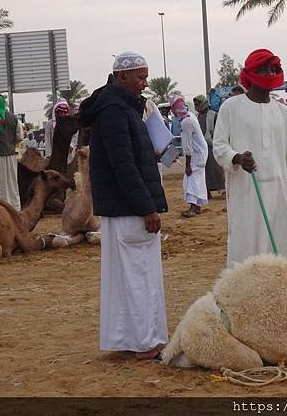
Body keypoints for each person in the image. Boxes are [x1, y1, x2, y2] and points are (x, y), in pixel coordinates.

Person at [80, 51, 168, 359]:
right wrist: (147, 208)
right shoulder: (116, 111)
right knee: (138, 276)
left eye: (145, 77)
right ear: (121, 77)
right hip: (130, 208)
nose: (145, 83)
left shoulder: (121, 108)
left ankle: (132, 339)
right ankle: (146, 342)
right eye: (140, 78)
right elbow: (124, 166)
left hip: (125, 206)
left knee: (131, 275)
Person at [213, 48, 287, 269]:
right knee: (246, 250)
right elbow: (218, 147)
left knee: (281, 251)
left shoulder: (283, 112)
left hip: (279, 195)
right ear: (249, 73)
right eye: (262, 69)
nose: (268, 73)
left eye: (272, 69)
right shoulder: (231, 107)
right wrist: (236, 157)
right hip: (247, 194)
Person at [171, 95, 208, 217]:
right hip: (201, 152)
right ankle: (197, 206)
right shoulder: (190, 115)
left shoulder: (186, 121)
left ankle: (193, 207)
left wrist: (187, 165)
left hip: (196, 154)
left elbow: (187, 147)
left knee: (190, 178)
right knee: (198, 178)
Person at [194, 94, 225, 198]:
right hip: (201, 148)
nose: (196, 106)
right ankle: (207, 191)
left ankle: (222, 190)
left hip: (212, 145)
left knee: (216, 168)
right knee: (204, 170)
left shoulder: (214, 115)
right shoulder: (196, 116)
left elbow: (218, 130)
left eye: (198, 104)